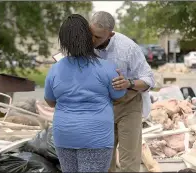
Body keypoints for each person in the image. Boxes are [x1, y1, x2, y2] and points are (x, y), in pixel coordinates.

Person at [44, 14, 126, 172]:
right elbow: (118, 97)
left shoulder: (55, 69)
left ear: (64, 40)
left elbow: (50, 101)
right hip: (97, 137)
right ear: (88, 36)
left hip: (64, 135)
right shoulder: (108, 68)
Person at [89, 11, 155, 172]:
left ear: (110, 34)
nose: (92, 40)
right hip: (101, 106)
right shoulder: (84, 42)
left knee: (129, 161)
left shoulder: (128, 48)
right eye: (91, 34)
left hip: (128, 105)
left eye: (98, 37)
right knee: (103, 161)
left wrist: (129, 83)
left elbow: (149, 79)